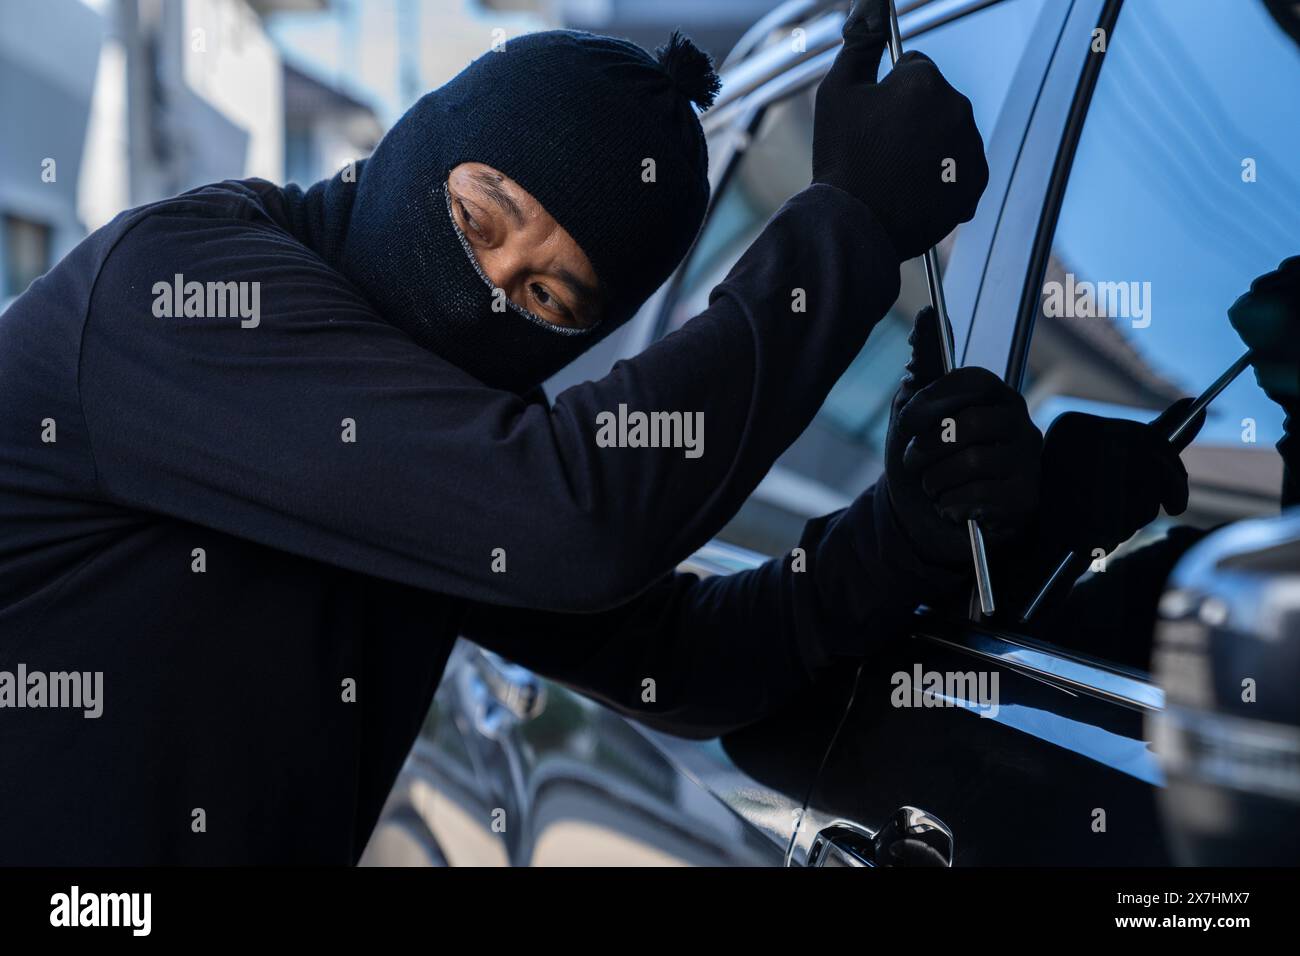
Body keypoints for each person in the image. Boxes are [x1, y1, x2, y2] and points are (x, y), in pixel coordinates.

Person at [0, 1, 1044, 863]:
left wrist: (900, 535)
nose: (488, 291)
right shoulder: (179, 290)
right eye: (476, 218)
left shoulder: (434, 444)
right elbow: (567, 516)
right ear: (417, 143)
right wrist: (842, 233)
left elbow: (679, 658)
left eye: (548, 297)